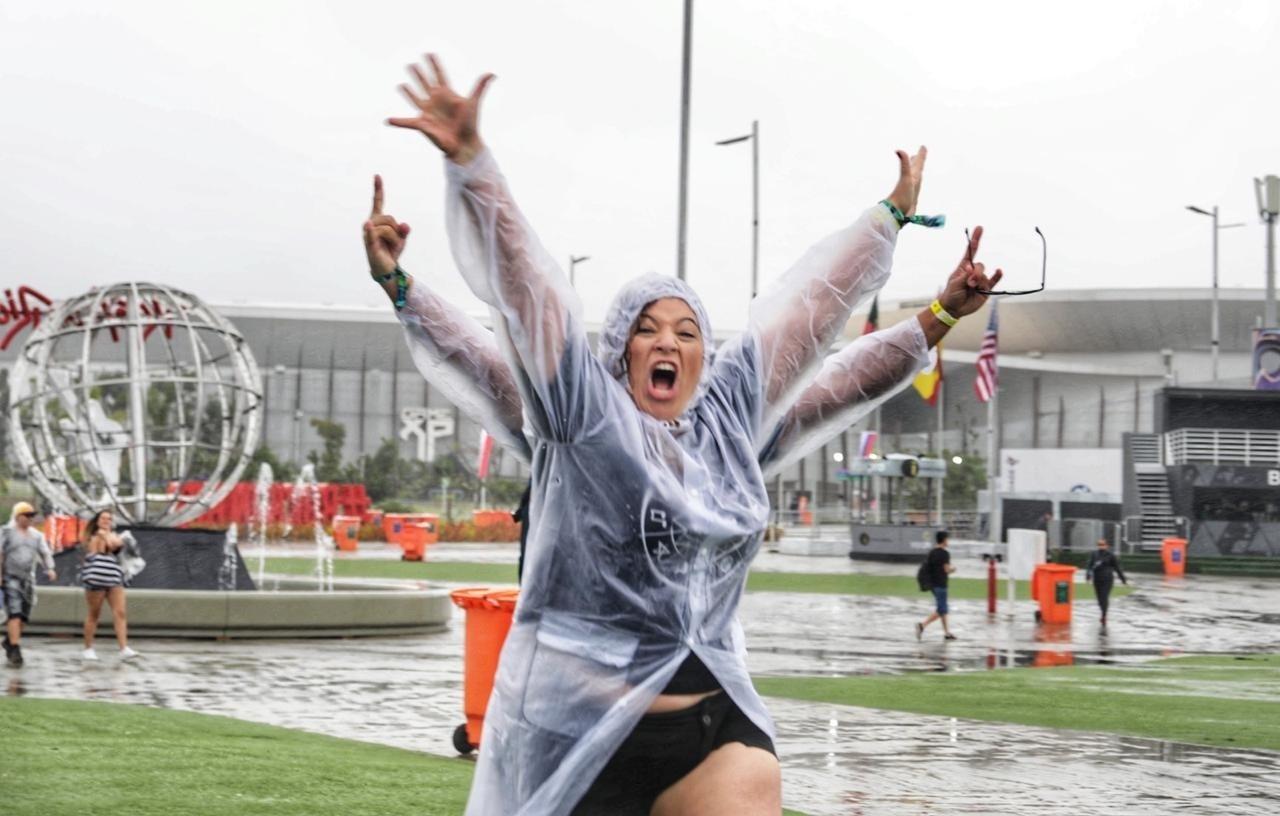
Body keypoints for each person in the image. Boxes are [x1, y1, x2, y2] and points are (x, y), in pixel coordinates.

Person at [377, 53, 1001, 815]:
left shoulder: (732, 433)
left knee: (754, 785)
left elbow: (824, 346)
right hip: (580, 736)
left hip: (709, 731)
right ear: (620, 353)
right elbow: (525, 308)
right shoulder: (584, 422)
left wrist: (922, 284)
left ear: (706, 355)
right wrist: (471, 176)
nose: (667, 342)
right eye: (646, 330)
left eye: (686, 331)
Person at [1, 502, 56, 668]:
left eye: (32, 515)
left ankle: (10, 640)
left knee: (24, 616)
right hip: (11, 577)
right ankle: (15, 648)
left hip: (28, 579)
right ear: (18, 516)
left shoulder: (36, 536)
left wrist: (50, 568)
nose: (30, 518)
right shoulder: (7, 533)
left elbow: (44, 553)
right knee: (15, 613)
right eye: (27, 515)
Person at [80, 510, 138, 662]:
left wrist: (114, 539)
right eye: (103, 518)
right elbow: (113, 545)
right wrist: (109, 537)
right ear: (97, 521)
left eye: (109, 519)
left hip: (113, 576)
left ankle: (124, 647)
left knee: (120, 612)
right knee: (94, 614)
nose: (106, 521)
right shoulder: (95, 536)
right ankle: (88, 648)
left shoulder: (110, 534)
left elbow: (117, 545)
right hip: (97, 576)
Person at [916, 530, 957, 641]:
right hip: (941, 585)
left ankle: (947, 633)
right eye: (947, 539)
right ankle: (922, 626)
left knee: (942, 608)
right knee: (942, 609)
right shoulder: (945, 554)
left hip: (933, 584)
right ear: (943, 540)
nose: (948, 541)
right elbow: (947, 570)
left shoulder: (932, 552)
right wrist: (953, 569)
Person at [1085, 538, 1127, 629]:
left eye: (1103, 544)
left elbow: (1117, 567)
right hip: (1097, 579)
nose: (1101, 546)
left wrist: (1123, 579)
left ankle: (1104, 615)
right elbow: (1089, 566)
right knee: (1099, 599)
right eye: (1099, 544)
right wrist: (1088, 576)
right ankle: (1102, 611)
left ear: (1106, 546)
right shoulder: (1094, 554)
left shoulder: (1111, 555)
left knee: (1104, 597)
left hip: (1107, 579)